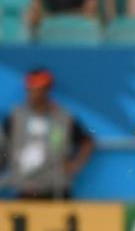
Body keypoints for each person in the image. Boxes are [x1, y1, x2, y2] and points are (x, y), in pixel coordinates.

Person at [0, 69, 94, 199]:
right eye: (31, 89)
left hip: (56, 190)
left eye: (39, 89)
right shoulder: (15, 117)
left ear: (47, 90)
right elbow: (3, 146)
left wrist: (75, 165)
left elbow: (87, 141)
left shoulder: (62, 117)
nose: (34, 93)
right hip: (26, 190)